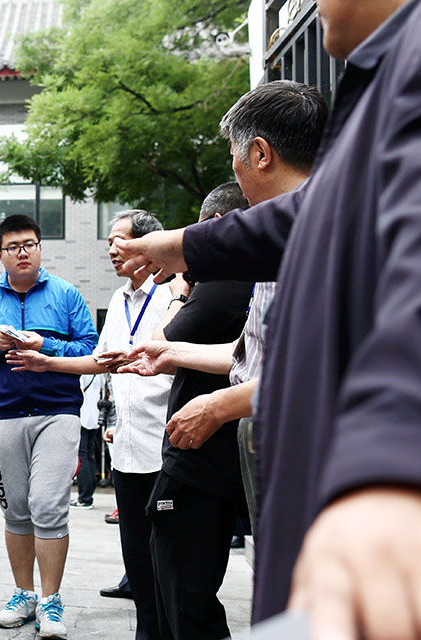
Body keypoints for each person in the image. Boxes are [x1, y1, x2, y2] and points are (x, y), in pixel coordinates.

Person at [115, 1, 421, 635]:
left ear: (257, 154)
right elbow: (302, 224)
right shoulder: (378, 77)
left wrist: (387, 484)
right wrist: (176, 255)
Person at [6, 210, 173, 640]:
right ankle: (147, 632)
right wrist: (48, 362)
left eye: (120, 240)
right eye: (110, 242)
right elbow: (100, 360)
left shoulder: (176, 292)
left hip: (169, 445)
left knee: (170, 556)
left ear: (148, 245)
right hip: (128, 448)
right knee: (136, 554)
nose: (112, 249)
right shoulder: (119, 300)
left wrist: (48, 355)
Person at [0, 214, 98, 639]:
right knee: (16, 508)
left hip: (57, 411)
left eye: (30, 244)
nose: (23, 252)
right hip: (5, 413)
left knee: (47, 505)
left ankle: (50, 600)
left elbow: (91, 350)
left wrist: (47, 344)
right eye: (13, 247)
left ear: (40, 247)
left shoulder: (66, 294)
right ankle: (23, 593)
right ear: (0, 254)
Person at [146, 181, 255, 640]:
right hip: (224, 445)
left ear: (213, 226)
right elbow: (240, 356)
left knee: (184, 583)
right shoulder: (253, 275)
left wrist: (178, 291)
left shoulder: (227, 274)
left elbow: (163, 337)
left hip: (208, 452)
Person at [70, 373, 103, 509]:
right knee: (89, 456)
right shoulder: (99, 373)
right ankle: (88, 495)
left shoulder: (83, 372)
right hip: (94, 418)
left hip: (83, 417)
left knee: (82, 456)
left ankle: (84, 498)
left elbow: (79, 390)